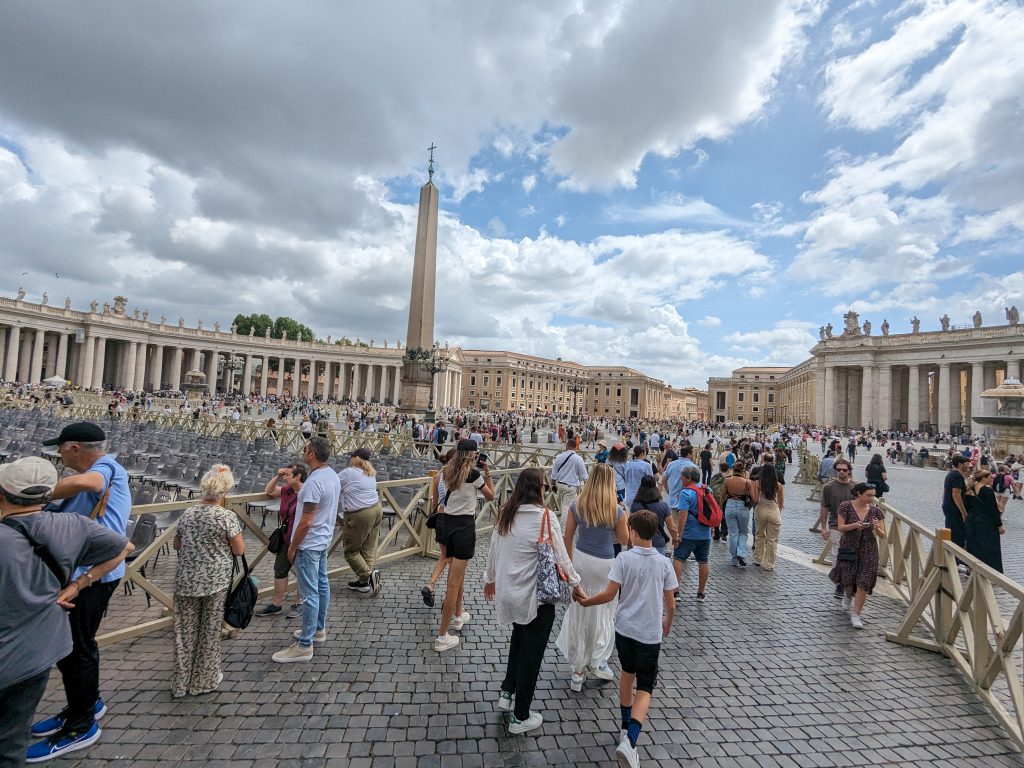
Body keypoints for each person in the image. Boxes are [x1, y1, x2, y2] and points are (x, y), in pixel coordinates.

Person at [2, 458, 131, 767]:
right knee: (10, 741)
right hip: (36, 650)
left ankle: (82, 720)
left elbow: (94, 484)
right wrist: (78, 584)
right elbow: (125, 547)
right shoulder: (73, 524)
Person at [574, 510, 677, 768]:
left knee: (626, 675)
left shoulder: (623, 558)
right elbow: (671, 604)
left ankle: (623, 727)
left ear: (632, 532)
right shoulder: (663, 563)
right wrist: (667, 622)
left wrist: (587, 602)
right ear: (654, 533)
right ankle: (630, 741)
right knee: (645, 687)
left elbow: (609, 595)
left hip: (625, 630)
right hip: (648, 634)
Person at [483, 468, 581, 734]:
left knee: (518, 640)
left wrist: (489, 578)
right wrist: (576, 584)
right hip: (534, 599)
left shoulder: (506, 513)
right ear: (540, 489)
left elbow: (494, 548)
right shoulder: (546, 517)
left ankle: (506, 692)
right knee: (532, 655)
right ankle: (520, 715)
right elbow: (562, 557)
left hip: (508, 594)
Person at [171, 465, 245, 697]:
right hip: (215, 581)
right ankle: (204, 680)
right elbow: (239, 550)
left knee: (184, 632)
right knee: (209, 631)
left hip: (186, 579)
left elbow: (176, 544)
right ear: (225, 491)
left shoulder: (189, 513)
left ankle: (181, 683)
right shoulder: (226, 516)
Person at [555, 464, 629, 691]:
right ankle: (598, 660)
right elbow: (624, 540)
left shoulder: (578, 505)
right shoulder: (615, 509)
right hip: (604, 564)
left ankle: (577, 671)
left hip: (580, 559)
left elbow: (567, 537)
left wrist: (568, 566)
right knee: (603, 612)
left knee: (580, 611)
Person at [273, 437, 341, 663]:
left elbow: (306, 521)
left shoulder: (313, 482)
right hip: (322, 541)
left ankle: (304, 646)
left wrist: (292, 547)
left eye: (304, 449)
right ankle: (317, 630)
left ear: (311, 454)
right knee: (322, 586)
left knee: (309, 594)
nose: (302, 452)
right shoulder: (332, 475)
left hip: (309, 543)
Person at [434, 439, 495, 651]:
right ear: (472, 454)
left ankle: (459, 615)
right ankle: (442, 636)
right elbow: (491, 497)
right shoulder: (474, 475)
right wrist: (487, 471)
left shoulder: (446, 472)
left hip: (447, 525)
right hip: (463, 528)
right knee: (453, 583)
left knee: (458, 576)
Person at [828, 483, 885, 629]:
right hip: (849, 546)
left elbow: (883, 535)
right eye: (869, 495)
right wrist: (855, 525)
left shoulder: (876, 512)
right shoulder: (845, 506)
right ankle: (848, 595)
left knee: (863, 582)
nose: (872, 498)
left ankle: (856, 615)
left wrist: (877, 527)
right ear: (859, 493)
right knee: (847, 580)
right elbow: (840, 527)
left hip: (869, 549)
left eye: (873, 495)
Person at [255, 463, 307, 618]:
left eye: (288, 475)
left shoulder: (307, 492)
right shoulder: (288, 490)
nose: (285, 478)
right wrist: (277, 475)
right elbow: (269, 490)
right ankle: (276, 604)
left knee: (301, 571)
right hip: (285, 537)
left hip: (301, 538)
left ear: (298, 477)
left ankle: (300, 603)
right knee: (280, 569)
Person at [339, 448, 383, 595]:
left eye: (352, 456)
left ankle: (368, 576)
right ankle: (363, 583)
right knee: (367, 549)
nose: (350, 459)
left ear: (356, 458)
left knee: (350, 551)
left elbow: (332, 485)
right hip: (376, 509)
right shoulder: (370, 472)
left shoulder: (349, 472)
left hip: (360, 514)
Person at [422, 449, 455, 607]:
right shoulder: (458, 477)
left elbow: (434, 503)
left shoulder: (437, 477)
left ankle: (431, 585)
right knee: (454, 559)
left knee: (445, 556)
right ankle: (450, 596)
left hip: (440, 518)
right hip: (453, 519)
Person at [671, 466, 710, 601]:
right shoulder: (706, 489)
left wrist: (678, 535)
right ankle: (701, 593)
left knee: (678, 559)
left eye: (683, 476)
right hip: (705, 533)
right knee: (703, 561)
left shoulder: (686, 493)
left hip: (689, 533)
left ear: (689, 478)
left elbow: (683, 515)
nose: (681, 478)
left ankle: (676, 592)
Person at [820, 458, 854, 599]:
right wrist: (823, 527)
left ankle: (848, 581)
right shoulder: (828, 487)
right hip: (835, 526)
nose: (841, 472)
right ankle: (839, 583)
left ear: (849, 471)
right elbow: (824, 507)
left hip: (853, 527)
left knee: (852, 556)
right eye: (838, 469)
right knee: (837, 555)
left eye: (844, 470)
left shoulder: (856, 487)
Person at [965, 469, 1003, 573]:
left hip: (972, 520)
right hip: (986, 522)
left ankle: (971, 569)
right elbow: (992, 509)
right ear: (983, 478)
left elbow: (967, 506)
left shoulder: (970, 489)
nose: (993, 478)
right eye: (990, 477)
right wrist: (999, 525)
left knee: (974, 545)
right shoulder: (987, 490)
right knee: (989, 547)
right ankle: (990, 572)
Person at [749, 461, 784, 571]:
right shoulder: (778, 485)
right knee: (772, 539)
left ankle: (758, 558)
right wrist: (778, 512)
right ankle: (769, 563)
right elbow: (781, 503)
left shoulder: (758, 483)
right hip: (774, 510)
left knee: (760, 534)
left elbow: (755, 499)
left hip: (761, 508)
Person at [630, 475, 675, 555]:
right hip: (658, 542)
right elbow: (671, 527)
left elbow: (630, 524)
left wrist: (629, 542)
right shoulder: (663, 505)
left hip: (639, 542)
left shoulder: (635, 505)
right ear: (655, 488)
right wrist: (675, 539)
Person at [942, 455, 971, 574]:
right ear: (960, 464)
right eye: (966, 463)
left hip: (949, 507)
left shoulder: (951, 474)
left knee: (953, 533)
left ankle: (953, 560)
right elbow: (956, 495)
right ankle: (954, 562)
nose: (968, 465)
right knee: (957, 536)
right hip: (954, 510)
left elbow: (945, 492)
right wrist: (963, 512)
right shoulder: (957, 476)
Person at [720, 460, 751, 567]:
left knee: (733, 533)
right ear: (743, 471)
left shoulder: (727, 480)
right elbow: (751, 497)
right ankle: (741, 552)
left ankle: (734, 558)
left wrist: (720, 508)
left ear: (733, 470)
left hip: (730, 503)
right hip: (742, 505)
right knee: (743, 531)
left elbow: (723, 496)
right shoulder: (747, 482)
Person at [551, 439, 588, 524]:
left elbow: (554, 473)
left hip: (559, 485)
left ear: (567, 446)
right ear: (575, 447)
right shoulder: (578, 459)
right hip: (571, 487)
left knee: (561, 507)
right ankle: (563, 531)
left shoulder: (559, 457)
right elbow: (585, 476)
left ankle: (558, 525)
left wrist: (553, 484)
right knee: (566, 509)